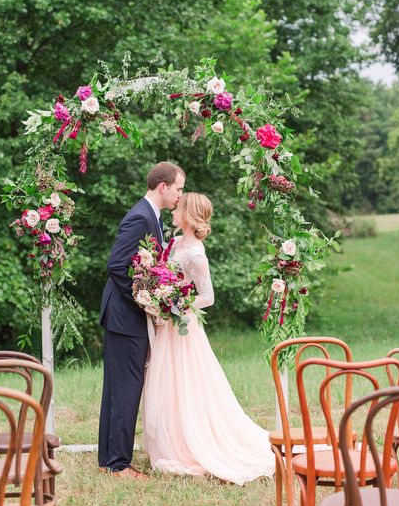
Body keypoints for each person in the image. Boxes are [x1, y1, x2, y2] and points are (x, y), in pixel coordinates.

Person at [142, 192, 274, 485]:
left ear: (189, 216)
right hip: (168, 324)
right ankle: (171, 437)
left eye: (179, 208)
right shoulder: (175, 243)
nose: (174, 211)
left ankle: (192, 442)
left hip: (182, 325)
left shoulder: (196, 255)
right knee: (167, 380)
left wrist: (173, 303)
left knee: (186, 382)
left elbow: (207, 297)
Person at [98, 161, 185, 479]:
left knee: (119, 387)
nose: (180, 195)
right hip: (125, 316)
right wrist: (144, 303)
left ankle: (109, 459)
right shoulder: (140, 216)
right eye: (178, 188)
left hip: (124, 316)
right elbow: (117, 266)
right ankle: (118, 464)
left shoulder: (152, 215)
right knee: (125, 388)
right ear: (163, 186)